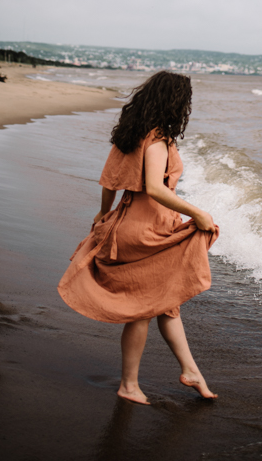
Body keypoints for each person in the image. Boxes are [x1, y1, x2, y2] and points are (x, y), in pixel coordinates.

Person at [58, 70, 219, 404]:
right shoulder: (158, 139)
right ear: (177, 103)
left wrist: (104, 213)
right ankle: (129, 385)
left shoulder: (131, 134)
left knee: (167, 305)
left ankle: (192, 372)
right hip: (149, 230)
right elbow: (155, 189)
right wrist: (198, 214)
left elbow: (109, 180)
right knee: (145, 308)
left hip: (127, 222)